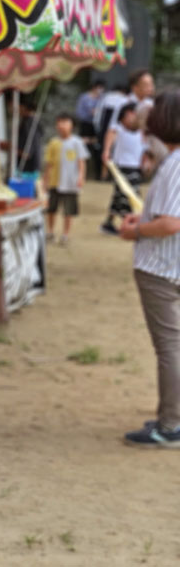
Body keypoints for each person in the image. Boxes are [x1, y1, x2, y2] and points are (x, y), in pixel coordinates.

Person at [119, 89, 180, 447]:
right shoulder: (171, 162)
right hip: (169, 262)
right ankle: (170, 414)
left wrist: (137, 231)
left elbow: (171, 222)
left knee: (169, 346)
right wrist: (142, 219)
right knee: (172, 345)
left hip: (162, 266)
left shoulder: (174, 165)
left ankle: (170, 423)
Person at [43, 113, 89, 245]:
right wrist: (46, 180)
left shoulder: (77, 142)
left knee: (68, 210)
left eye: (65, 122)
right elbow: (49, 163)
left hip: (71, 182)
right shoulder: (53, 143)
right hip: (54, 181)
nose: (62, 126)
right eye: (60, 122)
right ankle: (50, 231)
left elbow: (81, 161)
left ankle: (65, 234)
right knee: (51, 208)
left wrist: (81, 177)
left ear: (72, 125)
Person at [102, 102, 146, 234]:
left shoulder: (142, 131)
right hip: (122, 166)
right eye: (131, 114)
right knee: (127, 195)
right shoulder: (119, 128)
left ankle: (109, 223)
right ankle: (128, 224)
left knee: (120, 196)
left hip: (135, 166)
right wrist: (107, 151)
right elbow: (111, 133)